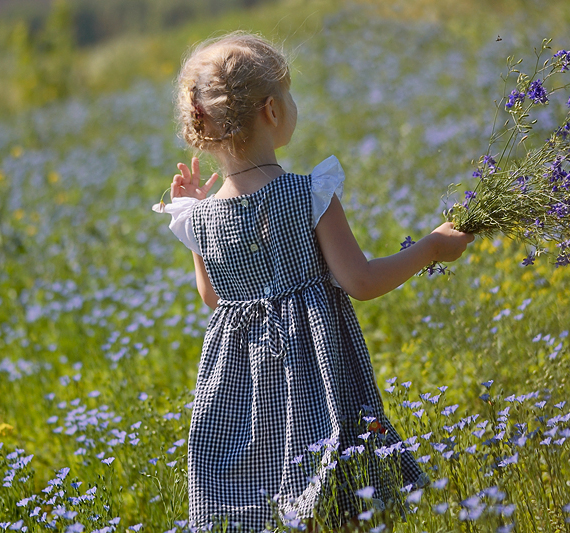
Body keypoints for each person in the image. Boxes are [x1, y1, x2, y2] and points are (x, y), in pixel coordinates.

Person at [152, 31, 474, 532]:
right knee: (334, 483)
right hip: (315, 368)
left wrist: (193, 210)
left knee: (256, 481)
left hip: (239, 381)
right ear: (272, 113)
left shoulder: (200, 218)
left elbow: (214, 296)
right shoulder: (309, 194)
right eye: (288, 94)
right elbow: (360, 280)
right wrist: (432, 246)